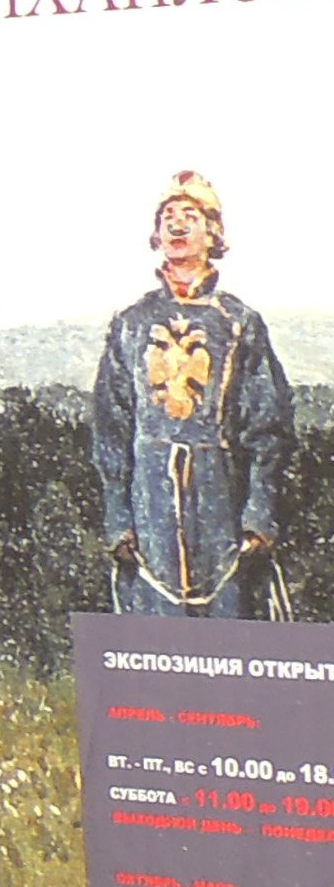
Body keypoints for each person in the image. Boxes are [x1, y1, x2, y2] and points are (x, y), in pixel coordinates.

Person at [91, 172, 294, 621]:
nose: (178, 227)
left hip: (218, 496)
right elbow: (111, 426)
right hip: (150, 502)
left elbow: (268, 427)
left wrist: (259, 512)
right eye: (168, 217)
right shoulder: (131, 323)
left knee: (229, 633)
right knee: (154, 640)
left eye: (191, 216)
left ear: (212, 232)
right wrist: (118, 518)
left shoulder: (239, 322)